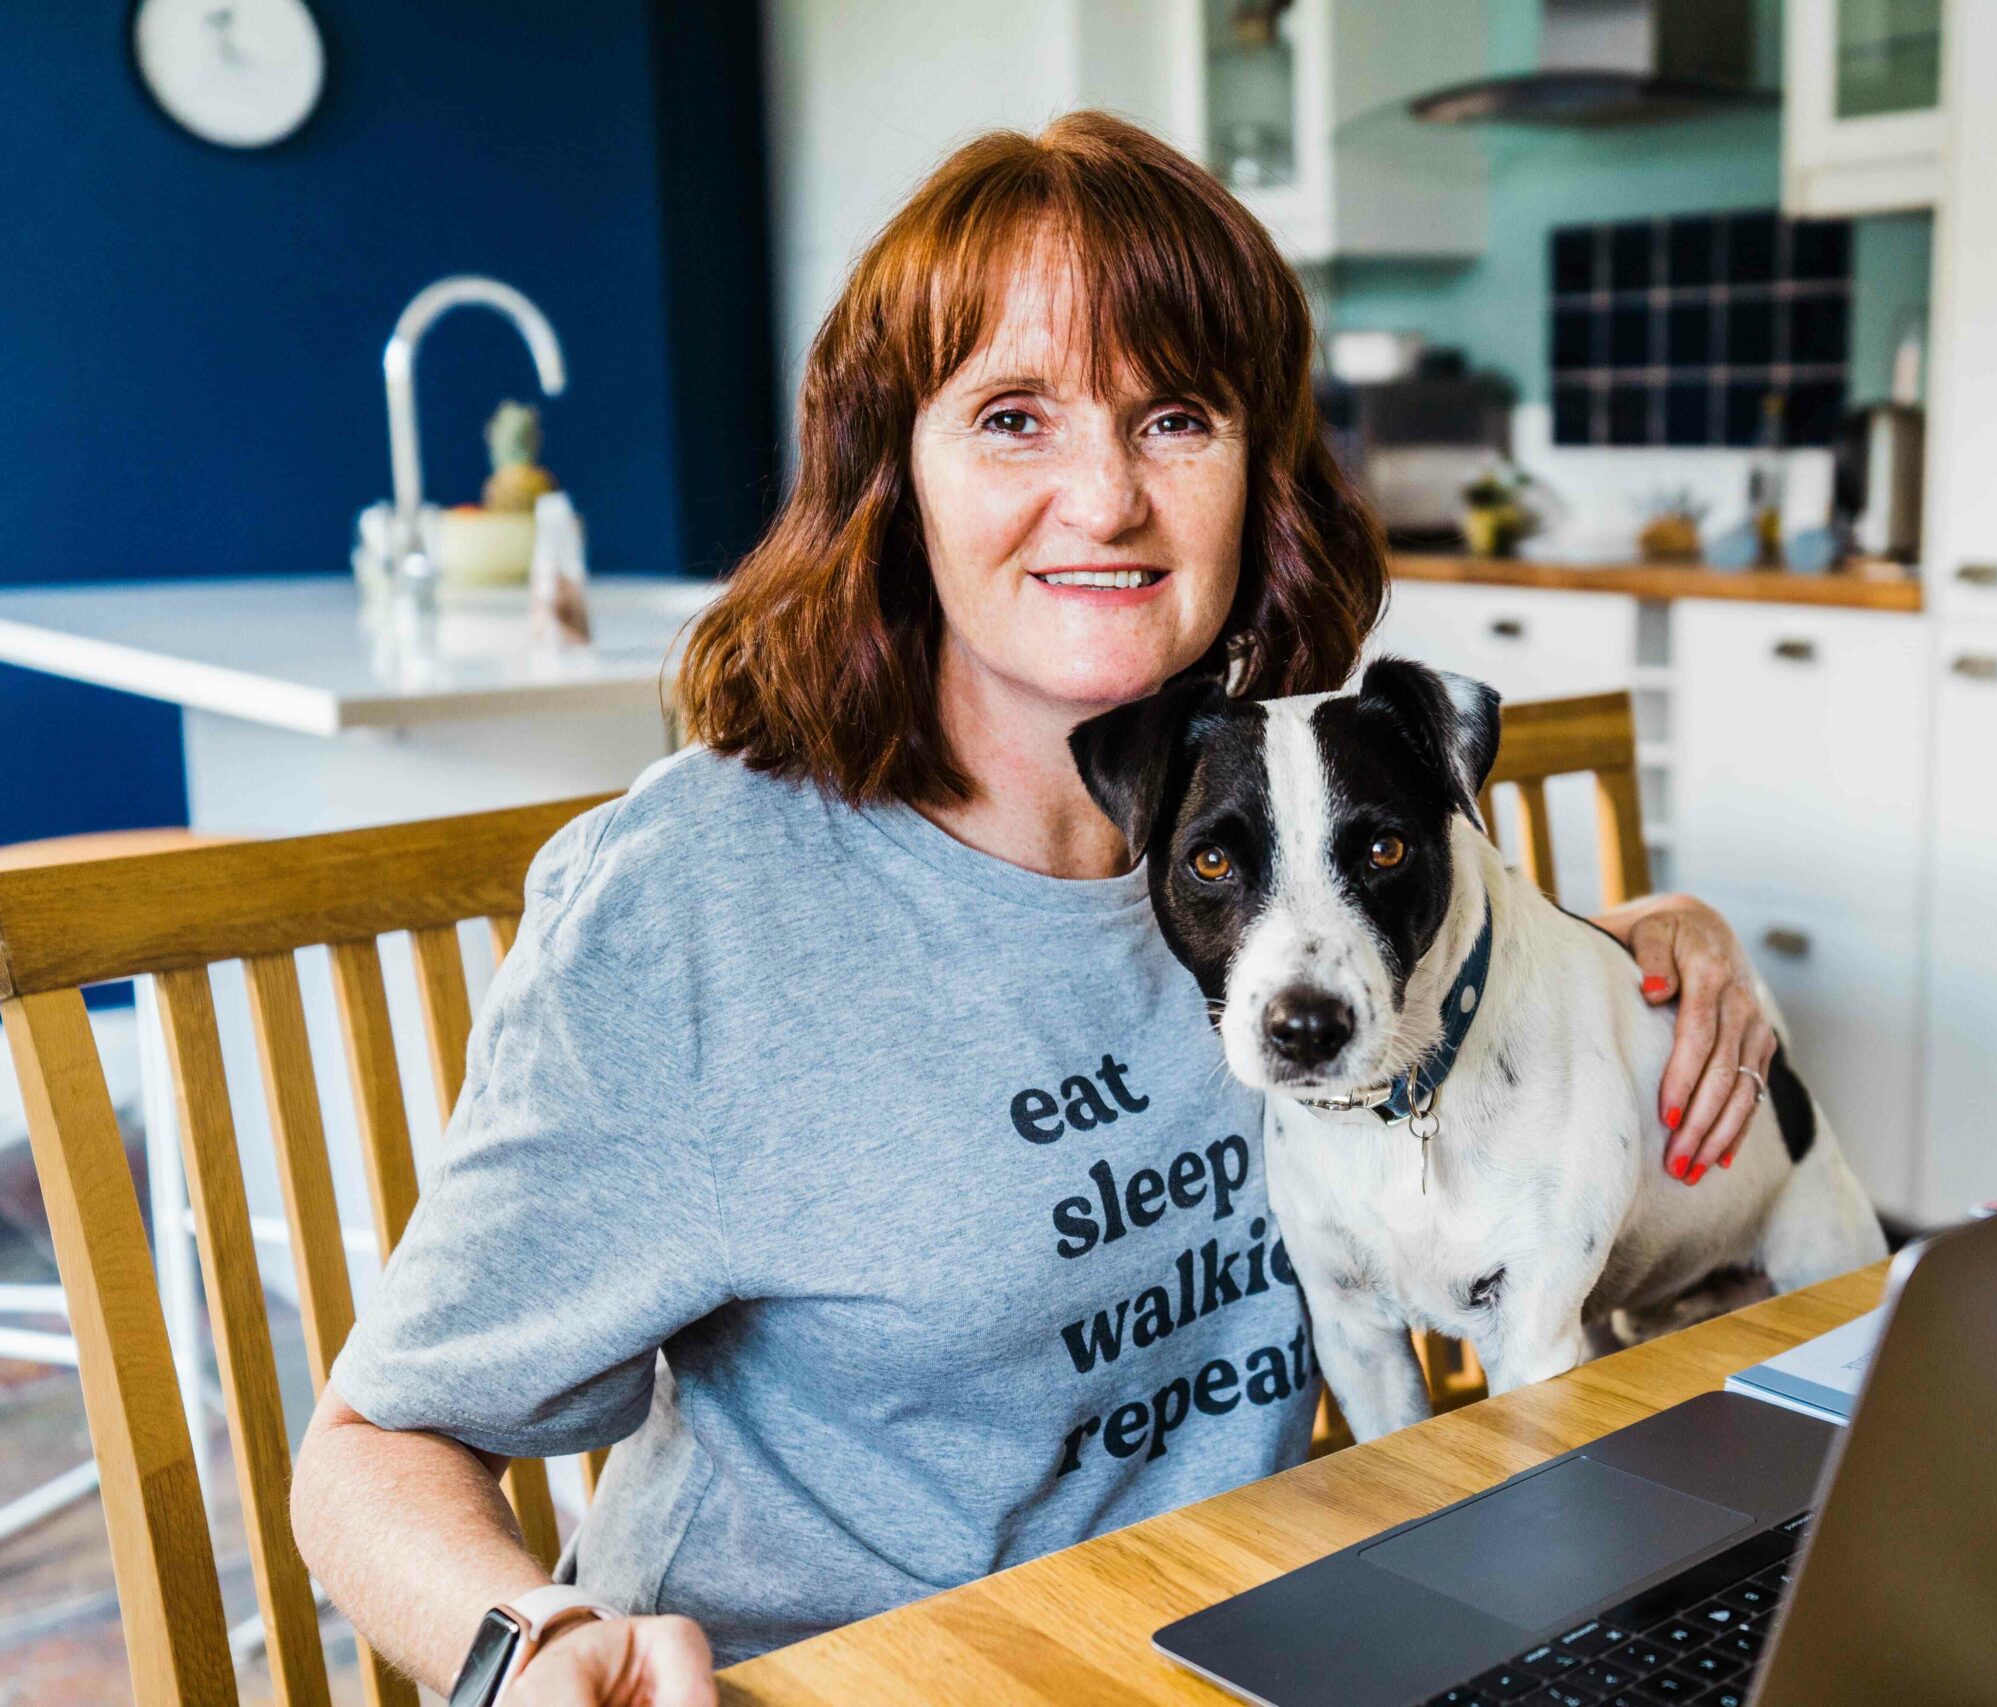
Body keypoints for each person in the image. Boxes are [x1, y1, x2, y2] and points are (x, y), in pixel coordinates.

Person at [291, 110, 1783, 1707]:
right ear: (893, 473)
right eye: (1013, 417)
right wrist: (541, 1656)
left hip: (1268, 1645)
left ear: (1260, 476)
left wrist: (1639, 941)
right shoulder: (701, 910)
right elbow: (376, 1449)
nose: (1105, 500)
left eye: (1178, 420)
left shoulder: (1297, 814)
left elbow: (1463, 1031)